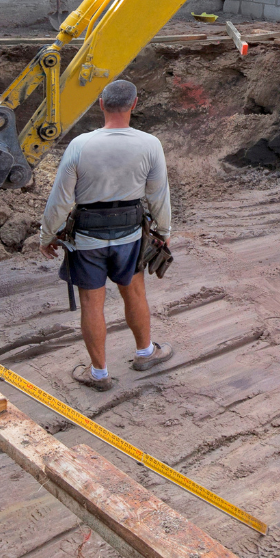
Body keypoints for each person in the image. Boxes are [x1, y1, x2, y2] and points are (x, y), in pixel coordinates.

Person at [36, 79, 172, 391]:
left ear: (101, 104)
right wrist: (163, 232)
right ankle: (145, 353)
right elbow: (159, 196)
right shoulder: (150, 144)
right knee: (134, 293)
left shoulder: (80, 145)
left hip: (86, 239)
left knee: (91, 305)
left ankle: (99, 374)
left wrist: (47, 236)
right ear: (134, 105)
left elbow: (59, 200)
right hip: (129, 236)